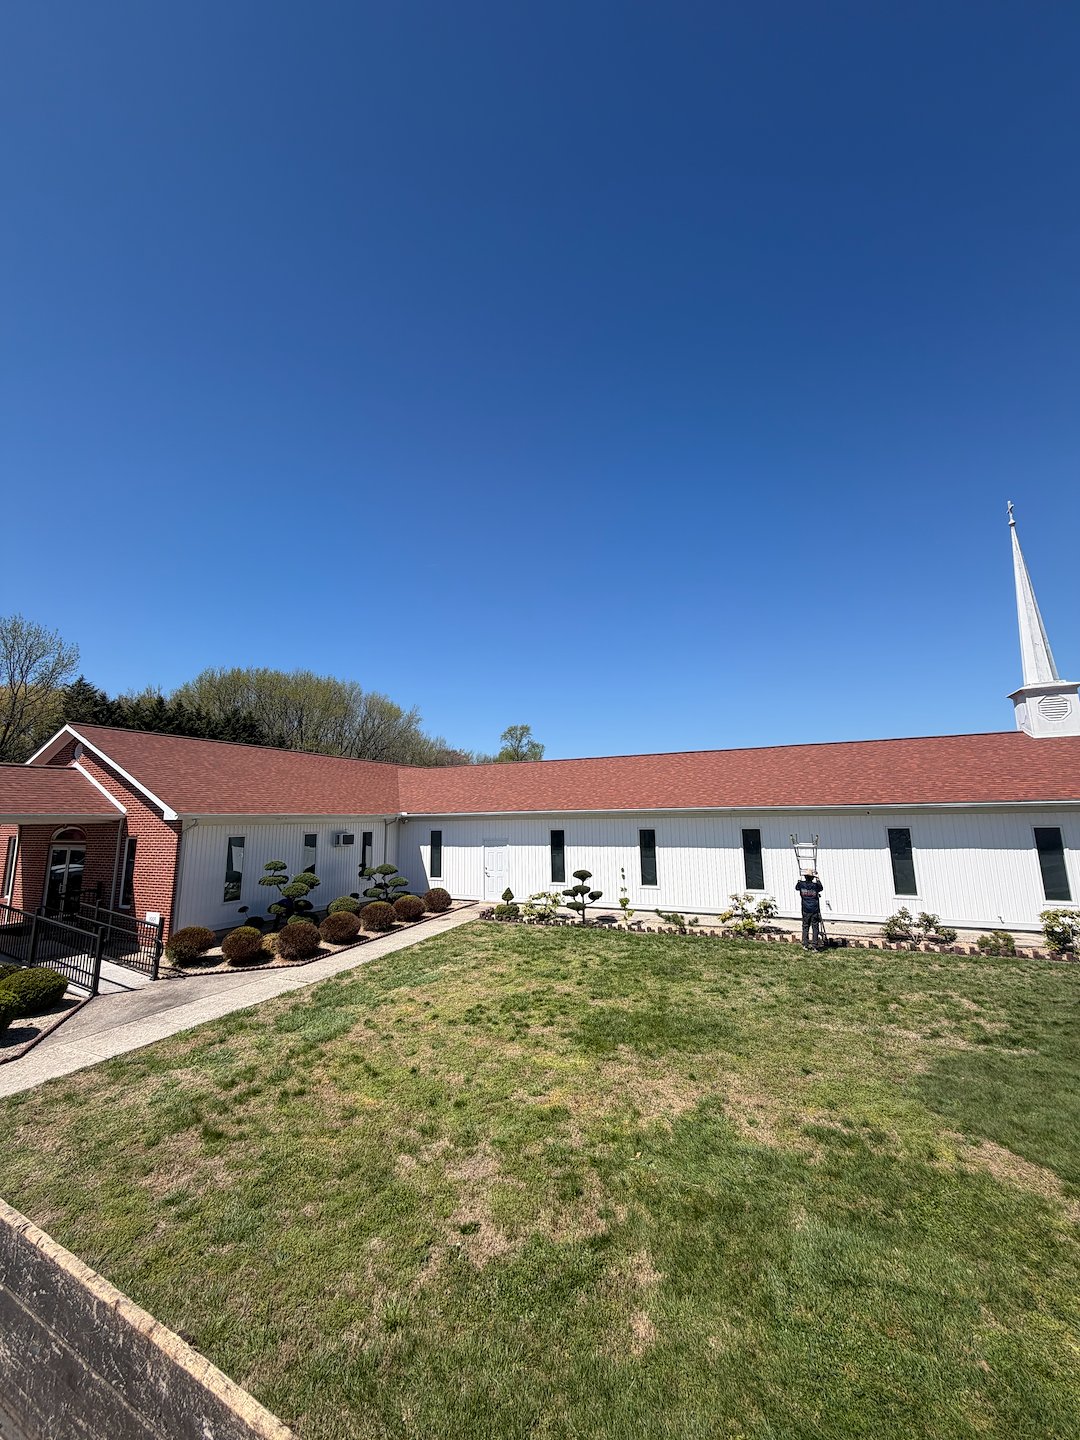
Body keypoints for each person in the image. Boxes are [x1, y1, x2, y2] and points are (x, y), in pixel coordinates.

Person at [796, 869, 824, 950]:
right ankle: (815, 945)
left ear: (805, 877)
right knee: (815, 927)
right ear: (812, 878)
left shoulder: (801, 884)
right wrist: (818, 879)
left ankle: (805, 944)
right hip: (814, 909)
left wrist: (799, 879)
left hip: (805, 909)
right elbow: (821, 888)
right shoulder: (815, 886)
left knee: (805, 926)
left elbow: (796, 887)